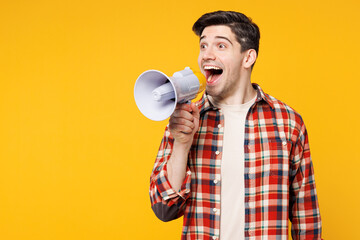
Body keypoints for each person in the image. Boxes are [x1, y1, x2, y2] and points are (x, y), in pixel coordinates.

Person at [149, 11, 322, 240]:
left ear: (248, 58)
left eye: (221, 46)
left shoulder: (288, 123)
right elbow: (164, 209)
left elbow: (306, 217)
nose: (207, 55)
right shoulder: (185, 119)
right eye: (203, 46)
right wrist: (181, 144)